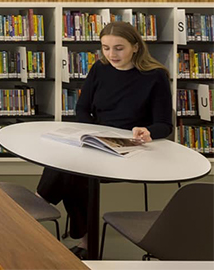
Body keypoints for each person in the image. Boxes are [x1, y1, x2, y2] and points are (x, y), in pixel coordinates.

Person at [36, 21, 172, 259]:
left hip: (129, 148)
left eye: (118, 48)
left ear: (136, 47)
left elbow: (164, 124)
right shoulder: (100, 68)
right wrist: (91, 133)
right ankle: (84, 242)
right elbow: (82, 108)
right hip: (97, 140)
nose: (111, 54)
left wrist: (148, 131)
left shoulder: (155, 76)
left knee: (73, 171)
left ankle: (38, 208)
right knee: (69, 166)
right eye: (106, 48)